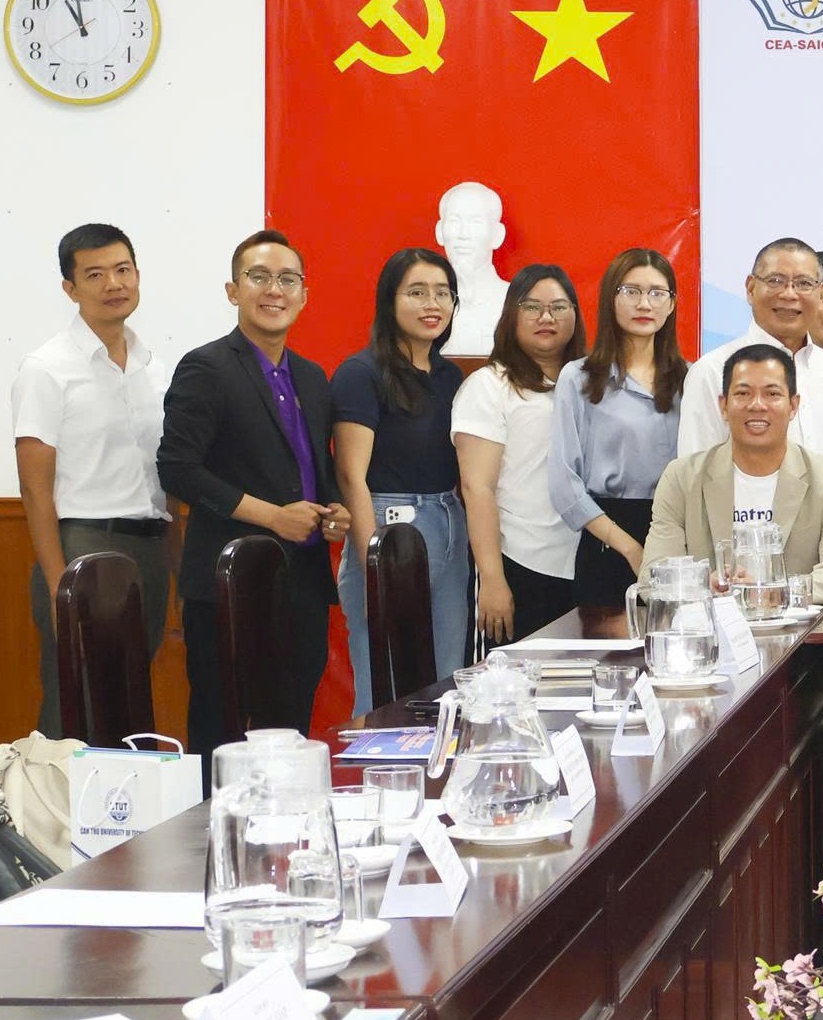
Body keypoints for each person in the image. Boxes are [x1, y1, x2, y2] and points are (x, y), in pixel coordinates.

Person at [157, 230, 350, 751]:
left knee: (290, 733)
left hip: (302, 586)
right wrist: (273, 517)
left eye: (288, 279)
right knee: (223, 734)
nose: (274, 290)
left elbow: (312, 466)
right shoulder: (206, 367)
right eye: (259, 276)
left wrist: (334, 508)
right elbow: (177, 469)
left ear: (304, 294)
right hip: (229, 586)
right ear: (232, 290)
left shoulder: (312, 377)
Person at [12, 223, 173, 738]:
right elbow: (35, 489)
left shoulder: (154, 367)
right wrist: (57, 582)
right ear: (70, 288)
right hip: (83, 545)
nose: (113, 284)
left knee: (129, 698)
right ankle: (56, 795)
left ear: (138, 275)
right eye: (96, 274)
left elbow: (164, 476)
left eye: (123, 270)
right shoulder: (47, 368)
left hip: (149, 547)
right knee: (75, 704)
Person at [333, 248, 472, 709]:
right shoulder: (361, 373)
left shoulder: (451, 376)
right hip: (388, 524)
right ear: (388, 300)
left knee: (445, 682)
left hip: (450, 522)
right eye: (417, 292)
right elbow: (350, 475)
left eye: (443, 293)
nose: (432, 304)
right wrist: (373, 564)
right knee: (385, 687)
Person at [645, 344, 823, 605]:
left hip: (798, 628)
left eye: (772, 394)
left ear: (793, 406)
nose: (757, 405)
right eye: (743, 393)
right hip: (710, 625)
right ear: (724, 405)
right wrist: (702, 585)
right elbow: (652, 576)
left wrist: (772, 591)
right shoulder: (682, 477)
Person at [550, 248, 686, 633]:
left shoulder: (689, 380)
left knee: (676, 652)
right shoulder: (579, 378)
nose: (645, 303)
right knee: (609, 658)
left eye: (657, 293)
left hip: (673, 537)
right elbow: (563, 482)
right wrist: (628, 547)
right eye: (631, 291)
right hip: (606, 538)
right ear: (611, 299)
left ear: (672, 304)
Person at [453, 264, 587, 644]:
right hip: (519, 562)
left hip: (583, 563)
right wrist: (493, 579)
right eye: (531, 307)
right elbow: (476, 488)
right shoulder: (489, 386)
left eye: (559, 307)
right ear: (511, 313)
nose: (546, 317)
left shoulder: (589, 384)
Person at [681, 238, 823, 459]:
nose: (789, 294)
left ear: (822, 294)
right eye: (775, 281)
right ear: (751, 289)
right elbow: (695, 468)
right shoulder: (712, 370)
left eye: (804, 283)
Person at [434, 181, 509, 355]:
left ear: (497, 235)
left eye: (476, 223)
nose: (463, 234)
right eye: (454, 221)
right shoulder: (422, 305)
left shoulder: (517, 301)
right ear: (439, 231)